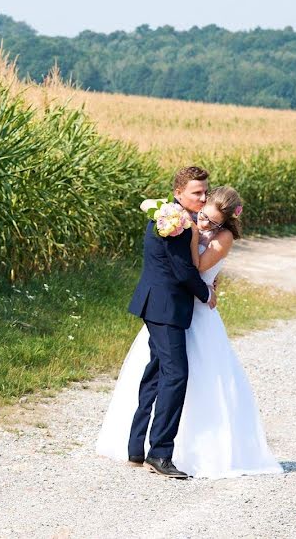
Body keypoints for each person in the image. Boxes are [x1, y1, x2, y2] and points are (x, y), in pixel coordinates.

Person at [96, 182, 283, 479]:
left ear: (225, 222)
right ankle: (147, 448)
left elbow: (193, 268)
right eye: (203, 214)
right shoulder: (175, 220)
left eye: (211, 220)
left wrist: (195, 241)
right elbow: (177, 266)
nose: (203, 221)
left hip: (194, 311)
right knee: (163, 374)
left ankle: (177, 449)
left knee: (185, 376)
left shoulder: (218, 237)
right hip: (174, 307)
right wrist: (194, 242)